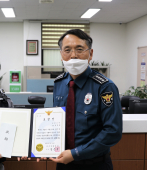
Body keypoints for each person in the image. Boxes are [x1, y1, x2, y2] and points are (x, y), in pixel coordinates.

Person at [49, 29, 122, 170]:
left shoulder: (105, 87)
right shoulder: (59, 83)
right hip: (63, 163)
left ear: (91, 54)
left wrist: (76, 153)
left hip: (95, 164)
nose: (73, 56)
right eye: (67, 50)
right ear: (61, 54)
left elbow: (112, 132)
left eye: (79, 49)